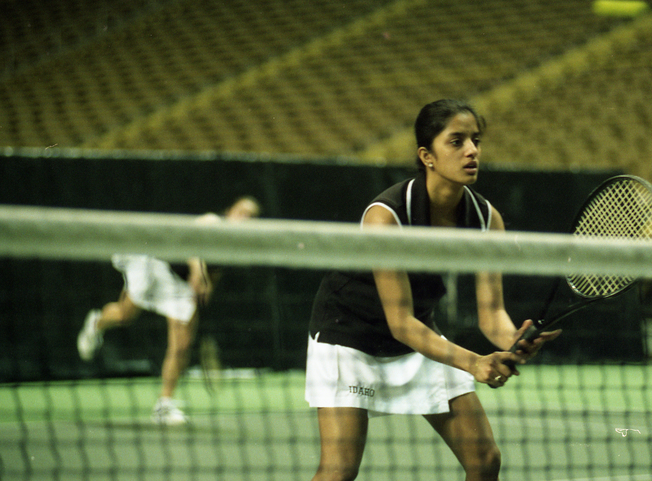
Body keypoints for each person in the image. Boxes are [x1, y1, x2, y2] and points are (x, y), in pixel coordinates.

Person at [305, 99, 561, 481]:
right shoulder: (386, 216)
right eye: (456, 141)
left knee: (485, 460)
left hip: (416, 336)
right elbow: (400, 322)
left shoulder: (485, 219)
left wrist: (515, 338)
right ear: (427, 156)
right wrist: (474, 362)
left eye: (475, 140)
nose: (472, 150)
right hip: (350, 336)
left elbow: (491, 312)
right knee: (339, 471)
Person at [77, 196, 261, 424]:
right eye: (241, 211)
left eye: (250, 216)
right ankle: (97, 323)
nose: (244, 218)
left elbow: (215, 271)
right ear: (230, 210)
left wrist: (207, 286)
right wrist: (197, 270)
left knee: (182, 343)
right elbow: (188, 243)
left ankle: (164, 405)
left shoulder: (237, 247)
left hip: (178, 282)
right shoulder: (212, 222)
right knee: (125, 315)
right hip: (155, 260)